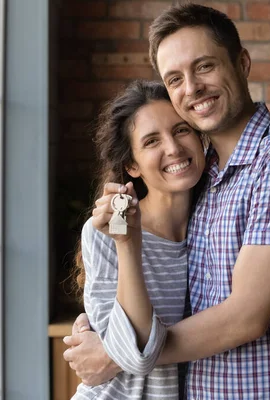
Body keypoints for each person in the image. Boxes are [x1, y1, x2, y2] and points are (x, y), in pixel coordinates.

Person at [63, 3, 270, 399]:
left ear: (242, 63)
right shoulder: (205, 178)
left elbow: (245, 317)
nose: (191, 88)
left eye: (204, 66)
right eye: (174, 78)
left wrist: (118, 353)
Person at [70, 80, 206, 399]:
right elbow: (135, 355)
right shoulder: (104, 232)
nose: (173, 148)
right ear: (132, 165)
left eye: (182, 130)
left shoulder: (217, 226)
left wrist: (107, 353)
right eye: (151, 141)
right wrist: (128, 242)